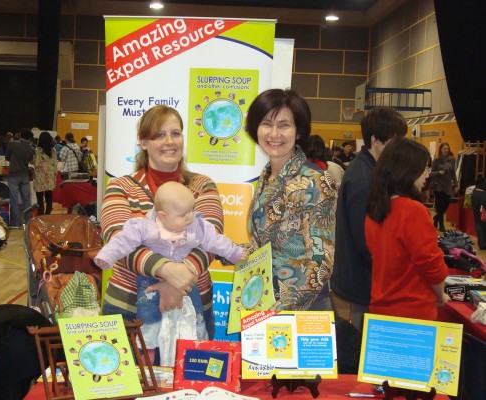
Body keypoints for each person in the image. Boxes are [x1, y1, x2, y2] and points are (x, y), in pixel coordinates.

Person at [100, 105, 224, 363]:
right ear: (143, 142)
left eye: (176, 133)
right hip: (128, 310)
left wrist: (177, 283)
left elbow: (211, 240)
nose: (169, 142)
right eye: (159, 135)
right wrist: (168, 272)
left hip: (194, 308)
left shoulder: (202, 186)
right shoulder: (120, 187)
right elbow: (116, 239)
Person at [95, 181, 249, 363]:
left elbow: (216, 242)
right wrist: (106, 256)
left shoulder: (197, 224)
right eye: (184, 215)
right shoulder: (144, 226)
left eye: (192, 210)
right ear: (163, 215)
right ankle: (147, 354)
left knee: (196, 320)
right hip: (147, 283)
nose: (191, 217)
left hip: (189, 284)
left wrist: (236, 253)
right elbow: (122, 241)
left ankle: (196, 349)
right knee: (148, 321)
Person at [246, 89, 337, 311]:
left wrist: (280, 310)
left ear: (298, 132)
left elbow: (320, 259)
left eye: (284, 125)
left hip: (301, 308)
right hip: (265, 299)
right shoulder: (267, 176)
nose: (274, 133)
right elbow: (267, 244)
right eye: (267, 123)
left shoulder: (315, 180)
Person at [330, 106, 407, 330]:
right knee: (363, 342)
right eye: (395, 141)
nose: (399, 148)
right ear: (376, 140)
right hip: (363, 279)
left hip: (363, 276)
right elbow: (366, 239)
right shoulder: (364, 178)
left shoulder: (369, 170)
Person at [365, 137, 450, 320]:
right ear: (407, 172)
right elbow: (431, 265)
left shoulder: (375, 209)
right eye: (423, 169)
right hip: (412, 312)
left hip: (381, 308)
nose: (427, 174)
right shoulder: (413, 211)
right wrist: (440, 294)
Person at [5, 128, 35, 228]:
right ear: (30, 137)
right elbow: (30, 161)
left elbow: (7, 157)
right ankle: (28, 222)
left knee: (14, 200)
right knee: (26, 200)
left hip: (13, 175)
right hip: (25, 175)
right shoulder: (31, 148)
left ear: (20, 134)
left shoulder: (12, 143)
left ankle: (15, 224)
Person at [429, 142, 457, 233]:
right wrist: (439, 172)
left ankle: (436, 218)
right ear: (440, 149)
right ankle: (441, 225)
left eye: (447, 149)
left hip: (448, 186)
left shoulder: (451, 160)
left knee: (445, 206)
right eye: (444, 148)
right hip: (438, 186)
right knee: (440, 207)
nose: (446, 150)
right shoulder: (436, 161)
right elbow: (431, 174)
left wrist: (456, 185)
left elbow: (453, 174)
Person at [33, 131, 57, 215]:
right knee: (49, 197)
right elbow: (55, 164)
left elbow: (35, 163)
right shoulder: (53, 150)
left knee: (39, 198)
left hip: (40, 177)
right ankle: (47, 214)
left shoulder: (37, 150)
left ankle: (40, 215)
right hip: (50, 177)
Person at [471, 178, 486, 250]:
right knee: (481, 222)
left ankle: (482, 243)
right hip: (482, 194)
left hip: (476, 193)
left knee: (478, 221)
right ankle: (482, 243)